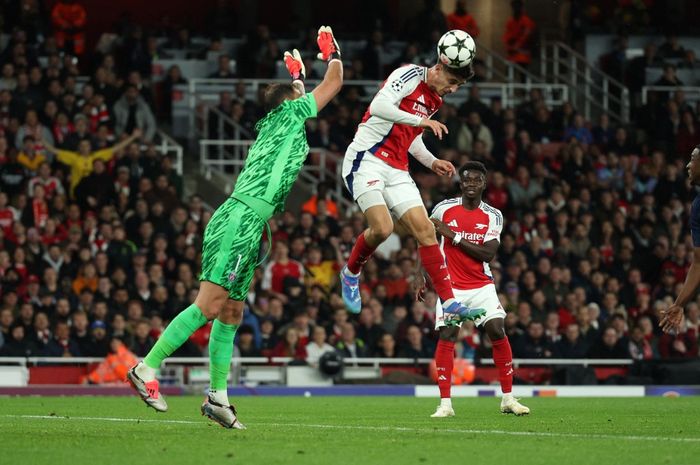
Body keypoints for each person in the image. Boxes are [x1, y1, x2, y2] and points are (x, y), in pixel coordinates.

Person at [126, 26, 343, 429]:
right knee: (209, 304)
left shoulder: (277, 121)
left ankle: (218, 398)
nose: (304, 97)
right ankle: (146, 368)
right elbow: (336, 82)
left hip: (249, 221)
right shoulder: (290, 114)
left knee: (231, 311)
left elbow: (294, 95)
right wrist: (330, 52)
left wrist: (296, 78)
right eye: (300, 93)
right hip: (240, 220)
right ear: (292, 102)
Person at [338, 37, 482, 327]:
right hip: (366, 158)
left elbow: (411, 138)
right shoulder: (408, 75)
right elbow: (379, 106)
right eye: (452, 81)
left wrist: (431, 162)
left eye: (458, 86)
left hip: (397, 167)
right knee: (383, 228)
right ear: (440, 67)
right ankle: (351, 272)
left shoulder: (435, 98)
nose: (452, 90)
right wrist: (421, 123)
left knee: (426, 231)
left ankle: (450, 302)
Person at [426, 161, 529, 417]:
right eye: (467, 180)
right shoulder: (443, 209)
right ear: (461, 184)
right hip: (450, 286)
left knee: (496, 329)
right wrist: (421, 274)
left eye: (476, 180)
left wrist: (454, 236)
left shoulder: (493, 215)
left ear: (484, 184)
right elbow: (424, 239)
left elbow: (488, 253)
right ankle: (445, 404)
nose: (471, 184)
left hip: (481, 284)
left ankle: (507, 398)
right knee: (448, 335)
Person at [661, 144, 700, 333]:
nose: (687, 165)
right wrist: (679, 304)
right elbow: (699, 262)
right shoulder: (698, 207)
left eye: (693, 159)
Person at [41, 129, 142, 197]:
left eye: (87, 145)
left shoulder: (96, 156)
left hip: (94, 194)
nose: (84, 148)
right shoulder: (73, 157)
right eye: (82, 146)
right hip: (77, 193)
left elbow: (116, 148)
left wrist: (133, 137)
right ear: (79, 148)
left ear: (90, 147)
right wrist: (41, 140)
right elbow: (54, 150)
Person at [502, 0, 536, 69]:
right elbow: (506, 35)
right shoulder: (511, 21)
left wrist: (516, 45)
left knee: (523, 73)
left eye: (517, 7)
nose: (515, 9)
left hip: (523, 53)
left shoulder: (526, 21)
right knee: (509, 71)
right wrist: (510, 45)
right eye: (514, 7)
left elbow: (527, 35)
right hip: (513, 54)